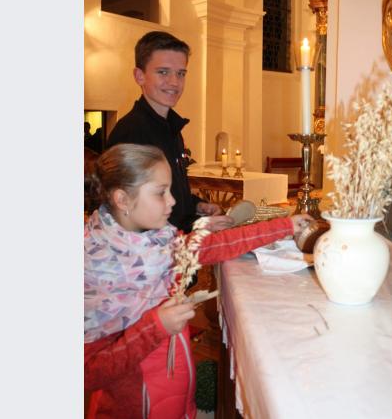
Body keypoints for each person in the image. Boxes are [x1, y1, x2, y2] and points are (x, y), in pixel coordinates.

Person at [84, 144, 313, 419]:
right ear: (122, 199)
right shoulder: (94, 272)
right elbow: (89, 374)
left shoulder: (160, 242)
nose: (172, 201)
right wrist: (155, 327)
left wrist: (285, 226)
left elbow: (219, 244)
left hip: (177, 399)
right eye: (160, 192)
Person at [106, 31, 230, 233]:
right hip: (147, 257)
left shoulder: (171, 126)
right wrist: (197, 225)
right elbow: (133, 216)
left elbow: (169, 193)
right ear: (139, 76)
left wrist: (197, 205)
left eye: (181, 73)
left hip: (174, 247)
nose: (174, 82)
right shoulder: (132, 134)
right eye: (163, 72)